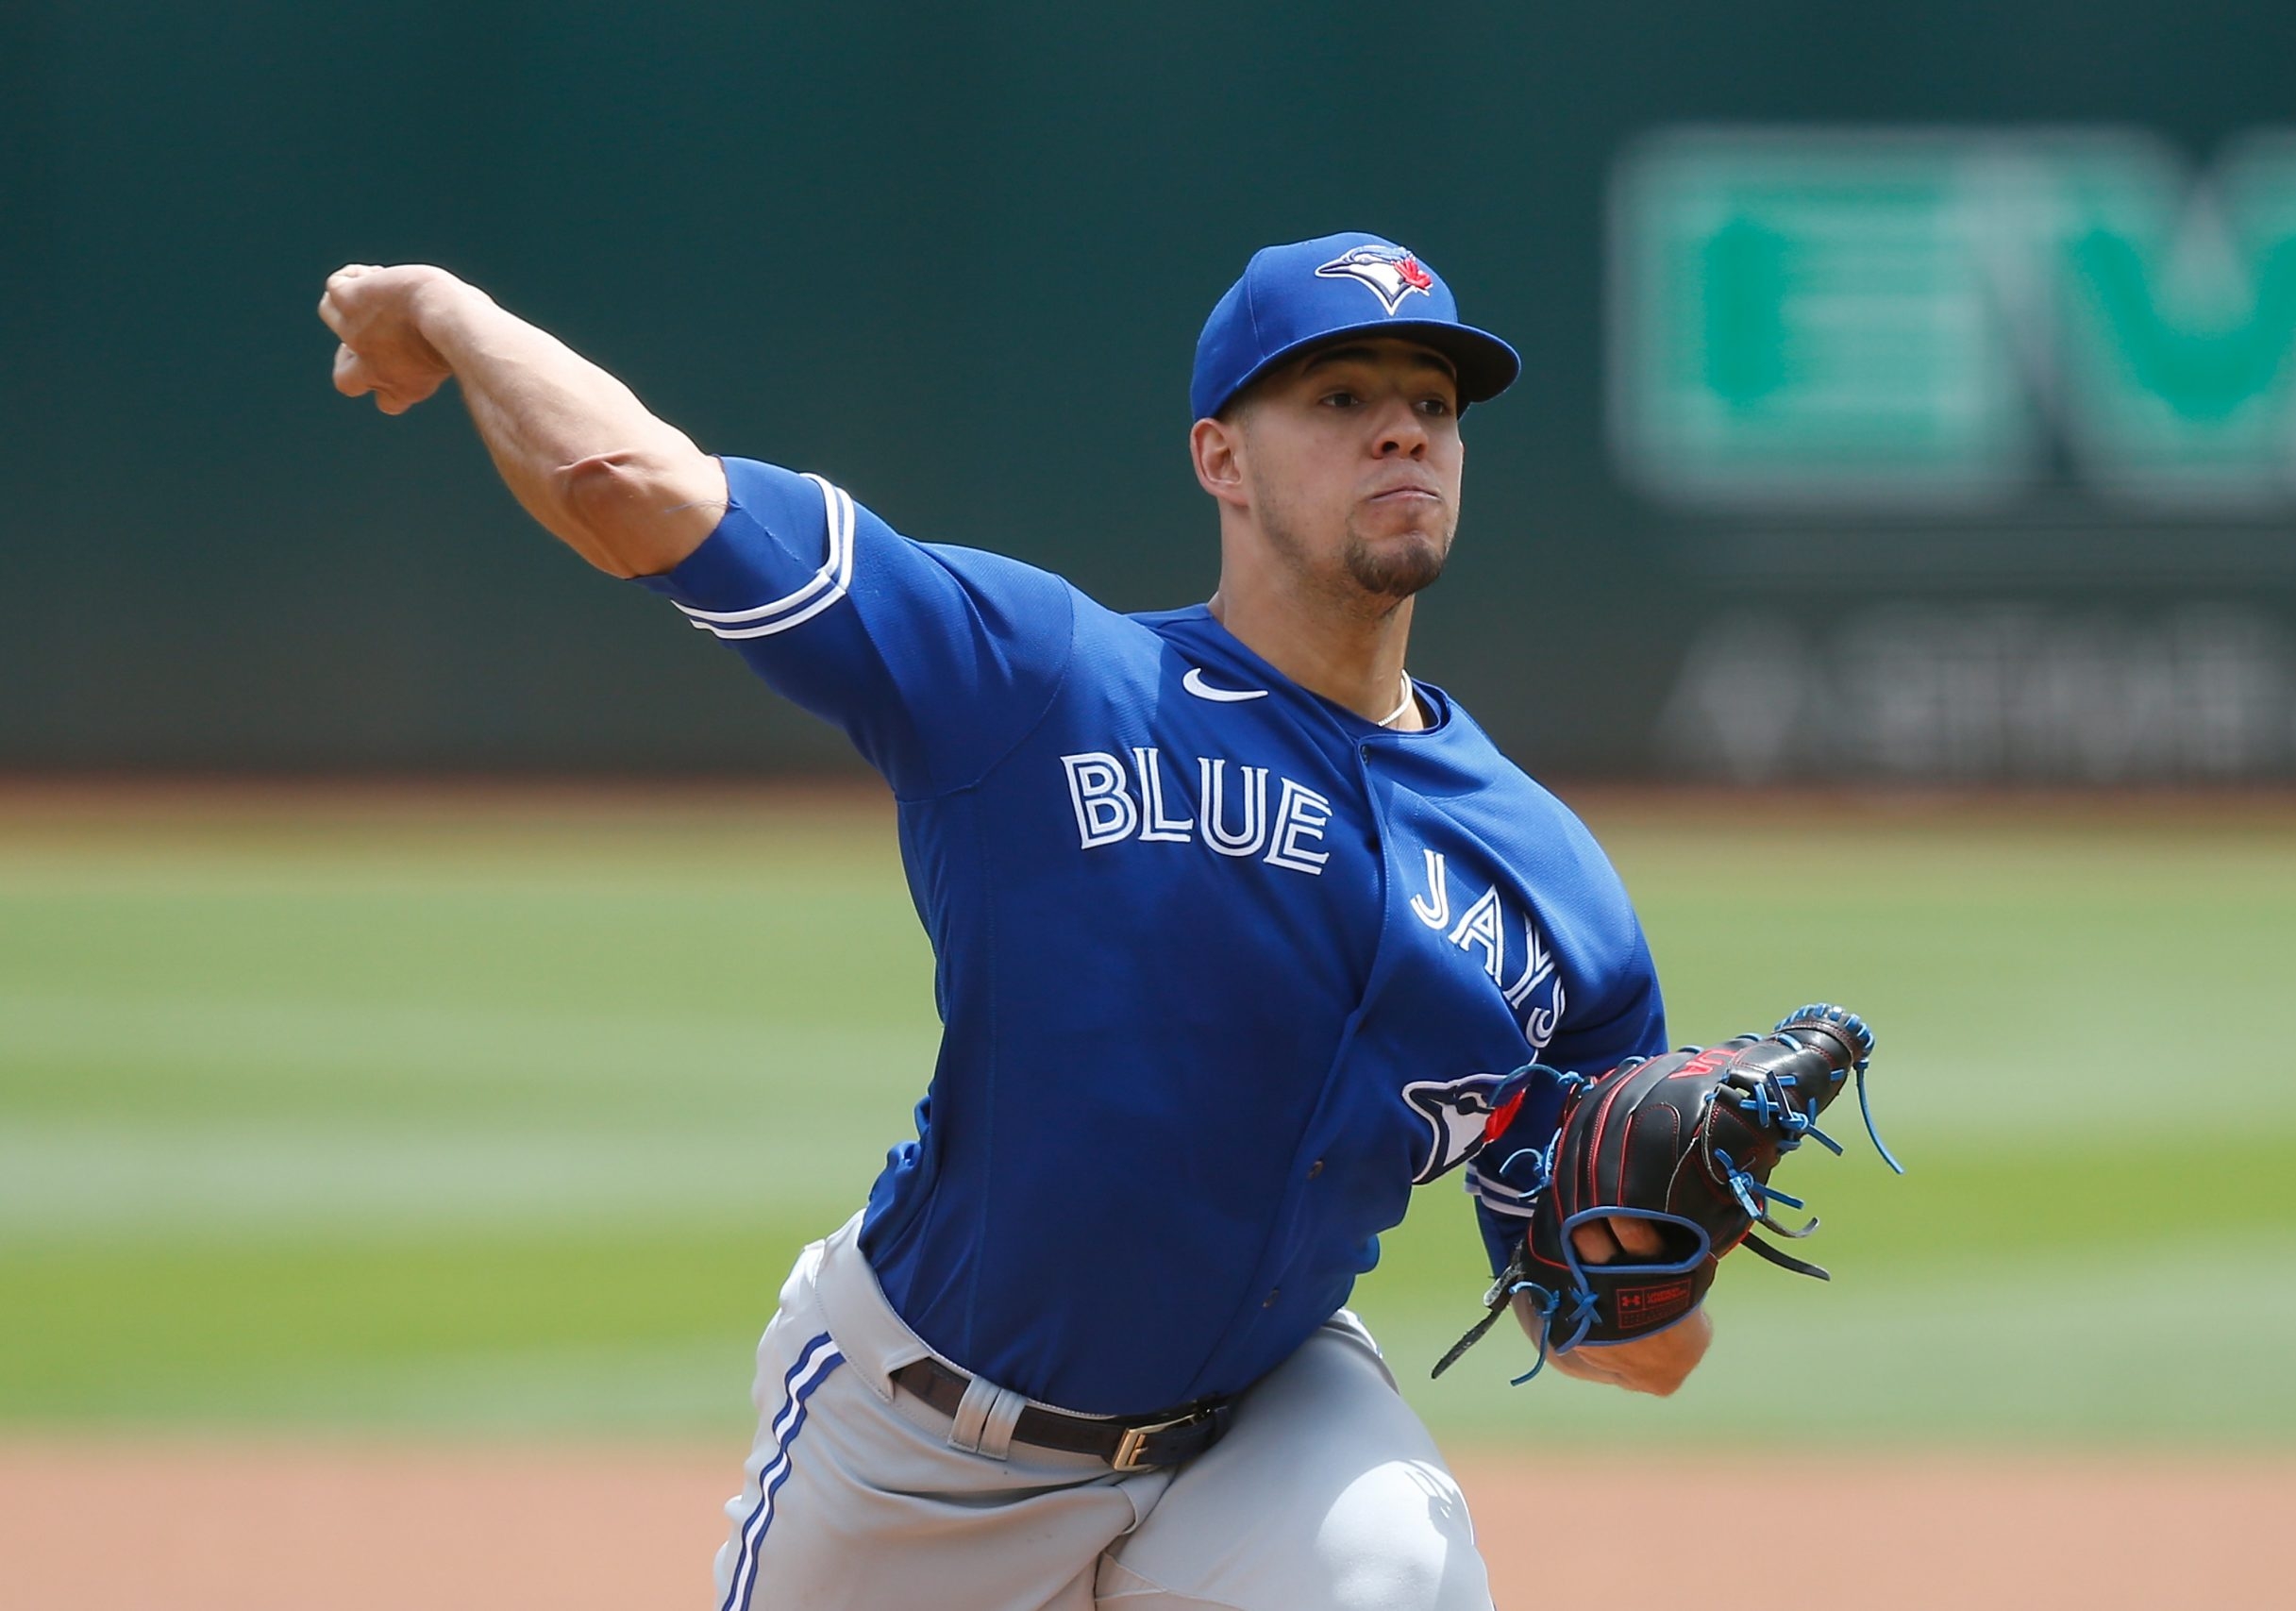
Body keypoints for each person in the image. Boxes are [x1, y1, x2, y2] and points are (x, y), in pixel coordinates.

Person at [319, 231, 1708, 1611]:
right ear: (1220, 458)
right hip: (922, 1444)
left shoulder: (1553, 884)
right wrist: (446, 310)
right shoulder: (1043, 682)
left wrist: (1654, 1254)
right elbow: (624, 485)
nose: (1404, 430)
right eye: (1341, 398)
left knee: (1392, 1572)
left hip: (1263, 1433)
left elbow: (1618, 1347)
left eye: (1434, 404)